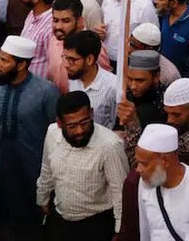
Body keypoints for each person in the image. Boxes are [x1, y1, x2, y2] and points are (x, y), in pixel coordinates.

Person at [0, 35, 59, 236]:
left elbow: (57, 139)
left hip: (36, 176)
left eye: (4, 60)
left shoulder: (47, 92)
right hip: (3, 173)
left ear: (21, 64)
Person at [36, 90, 130, 241]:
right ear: (60, 123)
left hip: (95, 226)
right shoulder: (52, 133)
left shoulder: (110, 145)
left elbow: (120, 192)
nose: (80, 131)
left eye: (84, 123)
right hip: (60, 221)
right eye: (72, 126)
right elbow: (46, 169)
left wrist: (119, 231)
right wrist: (43, 199)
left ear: (91, 114)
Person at [135, 123, 189, 241]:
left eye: (144, 164)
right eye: (138, 163)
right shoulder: (145, 182)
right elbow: (145, 229)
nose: (138, 169)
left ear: (165, 161)